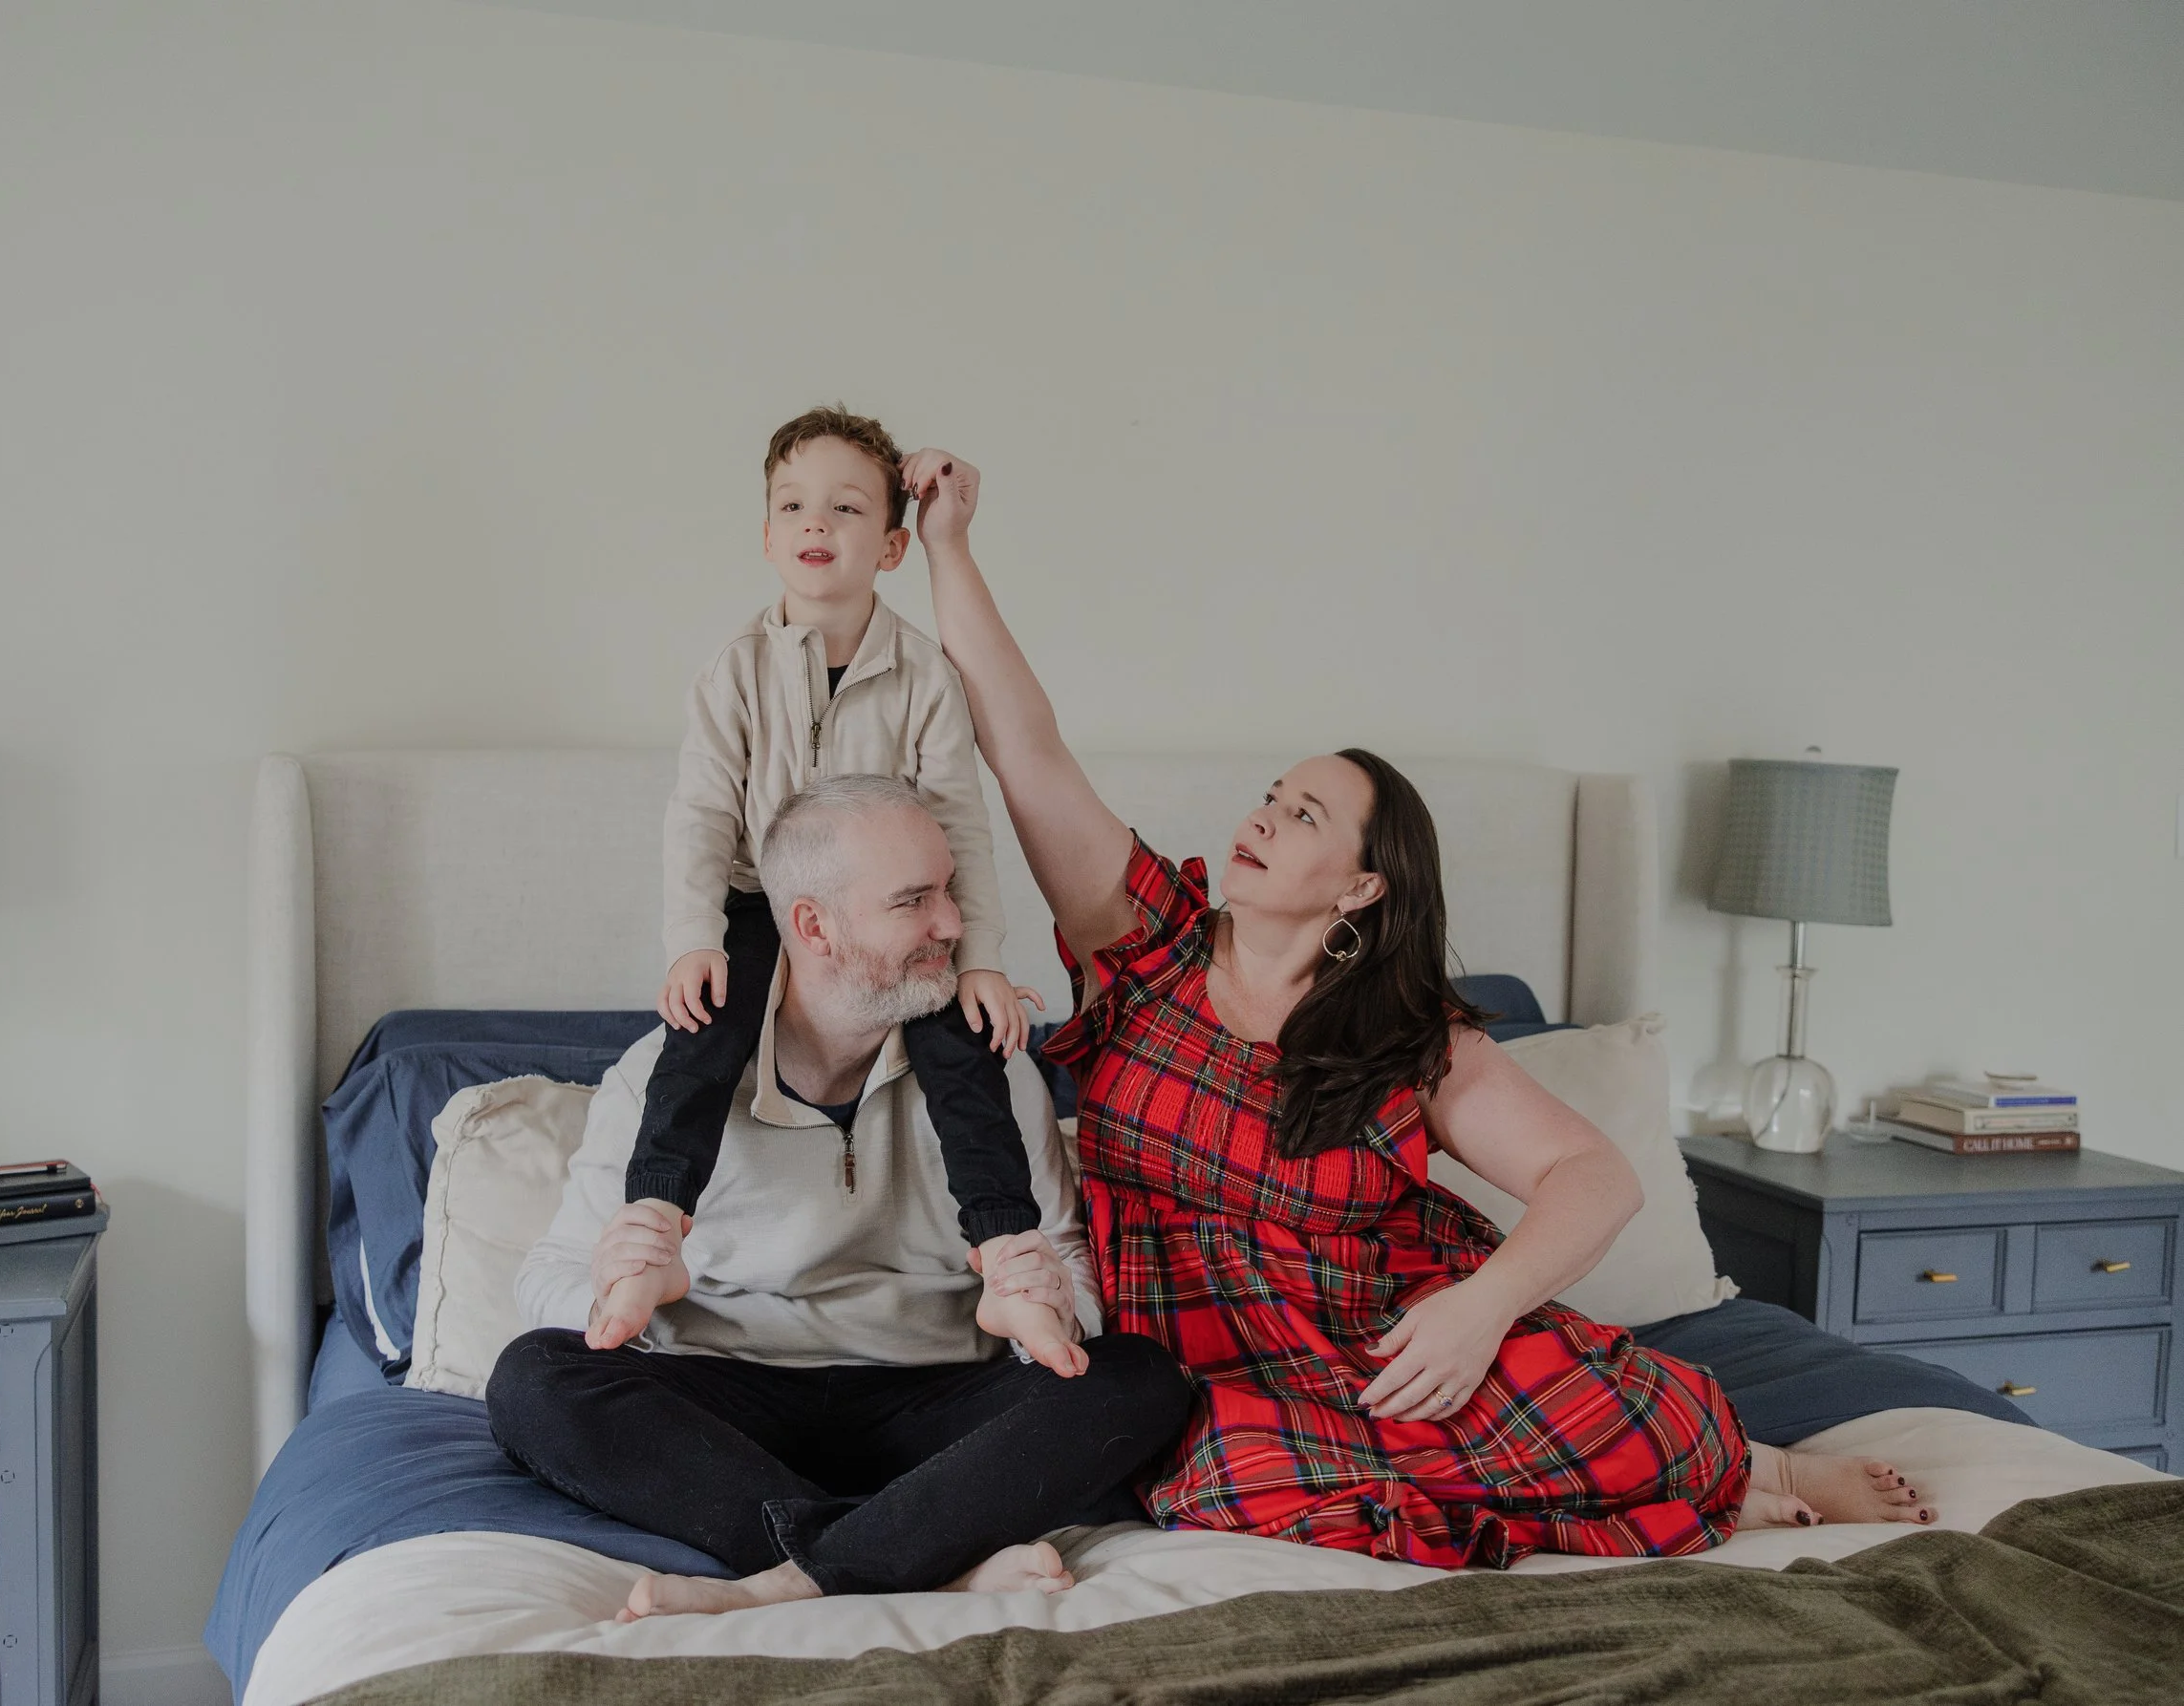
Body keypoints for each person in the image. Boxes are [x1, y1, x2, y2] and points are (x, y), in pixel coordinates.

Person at [904, 445, 1938, 1567]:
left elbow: (1596, 1176)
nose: (1260, 817)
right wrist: (951, 547)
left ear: (1358, 887)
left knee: (1654, 1422)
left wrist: (1480, 1306)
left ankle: (1754, 1461)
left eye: (1302, 814)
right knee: (1219, 1470)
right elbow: (1022, 743)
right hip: (1216, 1373)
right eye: (1270, 796)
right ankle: (1700, 1488)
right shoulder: (1142, 943)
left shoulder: (1409, 1037)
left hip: (1398, 1339)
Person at [487, 775, 1194, 1619]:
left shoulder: (990, 1068)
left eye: (950, 892)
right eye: (913, 902)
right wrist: (608, 1285)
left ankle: (794, 1577)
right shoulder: (660, 1076)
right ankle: (924, 1561)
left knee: (1138, 1378)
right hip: (729, 1407)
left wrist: (1056, 1297)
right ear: (812, 926)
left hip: (937, 1406)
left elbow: (1063, 1255)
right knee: (534, 1379)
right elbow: (550, 1278)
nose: (954, 926)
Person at [600, 404, 1073, 1371]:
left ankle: (1008, 1260)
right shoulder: (732, 673)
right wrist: (694, 937)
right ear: (767, 535)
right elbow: (699, 814)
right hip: (755, 900)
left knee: (964, 1052)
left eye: (848, 508)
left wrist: (979, 955)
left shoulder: (923, 678)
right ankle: (654, 1226)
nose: (817, 525)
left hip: (894, 923)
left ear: (893, 544)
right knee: (701, 1043)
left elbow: (960, 825)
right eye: (795, 506)